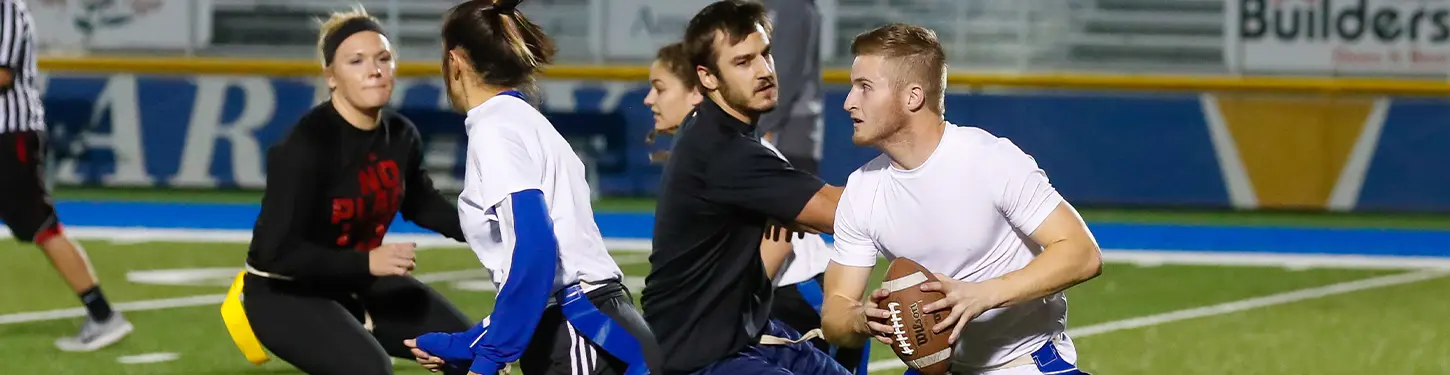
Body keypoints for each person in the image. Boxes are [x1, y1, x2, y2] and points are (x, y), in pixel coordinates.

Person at [819, 24, 1102, 375]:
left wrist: (982, 295)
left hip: (1025, 364)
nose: (848, 102)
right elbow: (835, 314)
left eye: (864, 87)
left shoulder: (990, 159)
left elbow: (1082, 253)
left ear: (913, 97)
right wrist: (862, 319)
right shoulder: (861, 191)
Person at [403, 1, 663, 375]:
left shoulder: (494, 129)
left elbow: (537, 252)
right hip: (596, 329)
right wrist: (469, 343)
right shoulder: (523, 121)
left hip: (580, 334)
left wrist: (491, 356)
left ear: (455, 61)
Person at [234, 8, 477, 375]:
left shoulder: (400, 134)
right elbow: (273, 255)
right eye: (356, 61)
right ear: (332, 77)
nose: (374, 69)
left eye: (383, 58)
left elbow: (421, 203)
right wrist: (366, 262)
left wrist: (487, 227)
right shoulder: (306, 146)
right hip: (284, 293)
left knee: (472, 352)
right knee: (369, 369)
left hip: (355, 282)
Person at [640, 1, 848, 374]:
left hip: (739, 336)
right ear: (707, 78)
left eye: (765, 54)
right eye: (742, 62)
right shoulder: (724, 150)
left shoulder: (719, 131)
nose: (764, 70)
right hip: (699, 357)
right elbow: (836, 212)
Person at [0, 0, 132, 352]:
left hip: (10, 133)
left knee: (42, 227)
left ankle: (103, 315)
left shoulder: (7, 9)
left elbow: (3, 74)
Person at [759, 0, 825, 175]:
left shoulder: (791, 5)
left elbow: (787, 74)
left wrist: (760, 126)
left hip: (787, 134)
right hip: (785, 133)